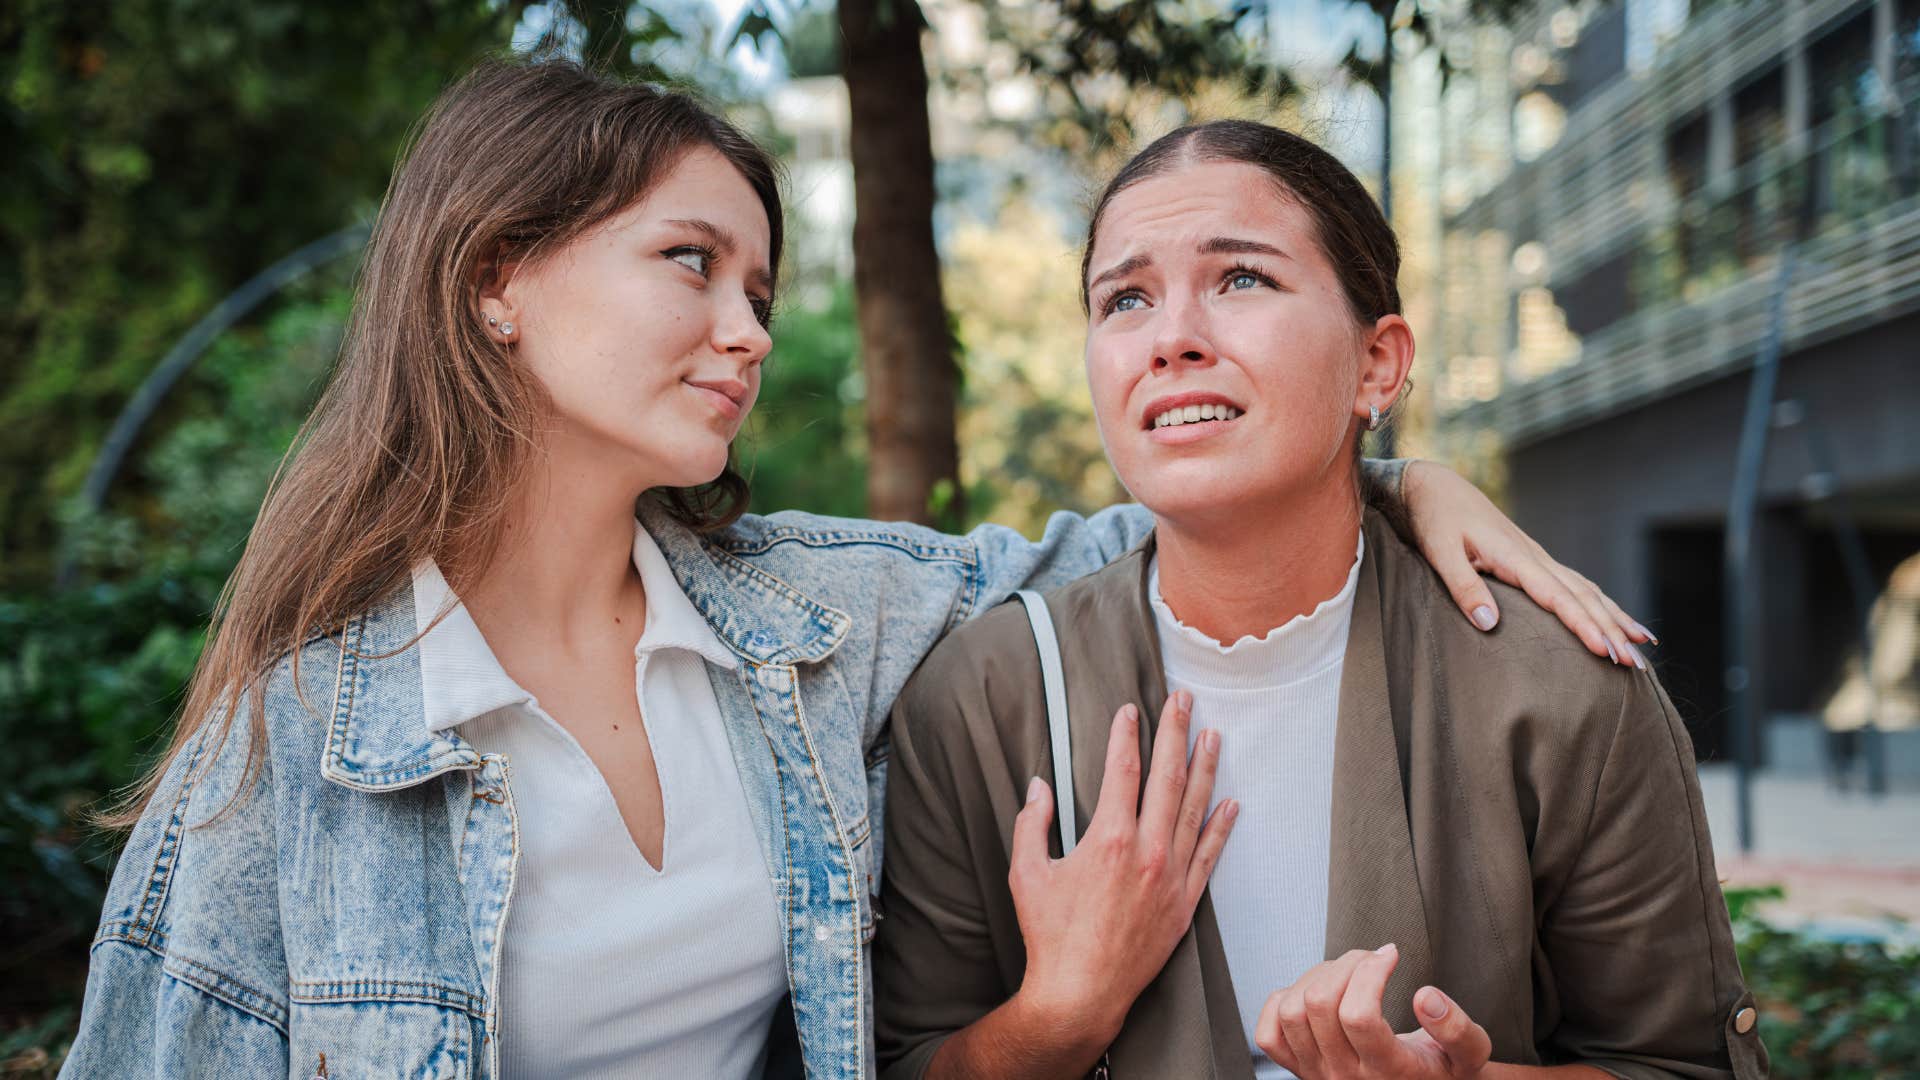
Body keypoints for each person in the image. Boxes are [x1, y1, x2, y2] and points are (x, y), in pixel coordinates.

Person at [62, 65, 1651, 1079]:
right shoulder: (282, 761)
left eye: (759, 286)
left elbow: (1159, 524)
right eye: (691, 264)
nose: (748, 331)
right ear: (497, 282)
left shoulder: (810, 621)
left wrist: (1397, 469)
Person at [873, 120, 1766, 1080]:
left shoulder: (1558, 690)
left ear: (1377, 364)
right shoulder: (980, 700)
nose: (1171, 340)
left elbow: (1685, 1066)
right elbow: (898, 1062)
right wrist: (1059, 1016)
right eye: (1124, 299)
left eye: (1240, 279)